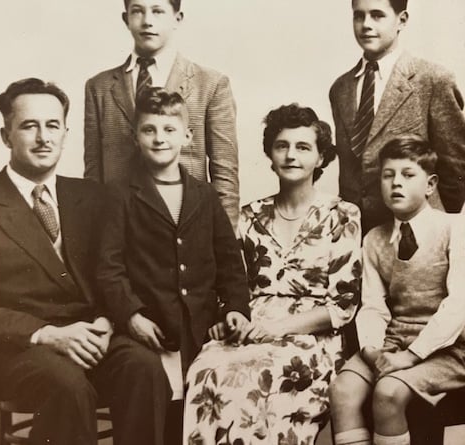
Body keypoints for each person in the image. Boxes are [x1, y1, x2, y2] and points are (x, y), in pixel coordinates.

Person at [0, 78, 164, 445]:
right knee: (68, 388)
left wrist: (106, 321)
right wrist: (48, 335)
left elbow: (117, 275)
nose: (43, 138)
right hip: (20, 347)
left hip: (90, 335)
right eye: (29, 126)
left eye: (52, 126)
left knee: (144, 367)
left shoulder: (92, 197)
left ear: (66, 133)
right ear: (6, 136)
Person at [183, 104, 362, 445]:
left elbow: (342, 305)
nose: (291, 155)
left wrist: (277, 329)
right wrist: (230, 317)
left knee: (263, 374)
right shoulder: (249, 216)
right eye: (282, 146)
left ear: (321, 158)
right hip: (252, 325)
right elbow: (233, 284)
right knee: (206, 370)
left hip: (312, 336)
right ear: (270, 153)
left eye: (303, 147)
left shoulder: (342, 215)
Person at [96, 88, 250, 445]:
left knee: (204, 418)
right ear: (135, 136)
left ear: (187, 135)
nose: (159, 138)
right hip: (151, 328)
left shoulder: (205, 195)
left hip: (202, 329)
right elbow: (109, 267)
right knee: (157, 415)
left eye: (169, 129)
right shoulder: (120, 194)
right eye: (149, 130)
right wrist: (131, 315)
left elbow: (230, 262)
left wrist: (237, 308)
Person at [328, 136, 465, 445]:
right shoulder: (375, 240)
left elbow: (460, 305)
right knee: (342, 391)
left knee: (388, 393)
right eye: (388, 175)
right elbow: (374, 305)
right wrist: (373, 350)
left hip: (449, 348)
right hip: (394, 340)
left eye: (407, 174)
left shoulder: (455, 228)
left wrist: (412, 355)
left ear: (430, 185)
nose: (396, 183)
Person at [84, 0, 240, 229]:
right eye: (137, 11)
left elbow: (225, 174)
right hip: (119, 230)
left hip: (186, 228)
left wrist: (225, 244)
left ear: (177, 18)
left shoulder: (210, 84)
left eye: (158, 11)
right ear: (125, 18)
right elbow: (93, 174)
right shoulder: (99, 87)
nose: (147, 21)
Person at [329, 0, 465, 233]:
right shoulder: (340, 88)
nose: (366, 25)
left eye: (377, 15)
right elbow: (350, 168)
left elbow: (455, 167)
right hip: (356, 231)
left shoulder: (432, 80)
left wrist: (437, 227)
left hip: (417, 231)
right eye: (358, 16)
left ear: (401, 20)